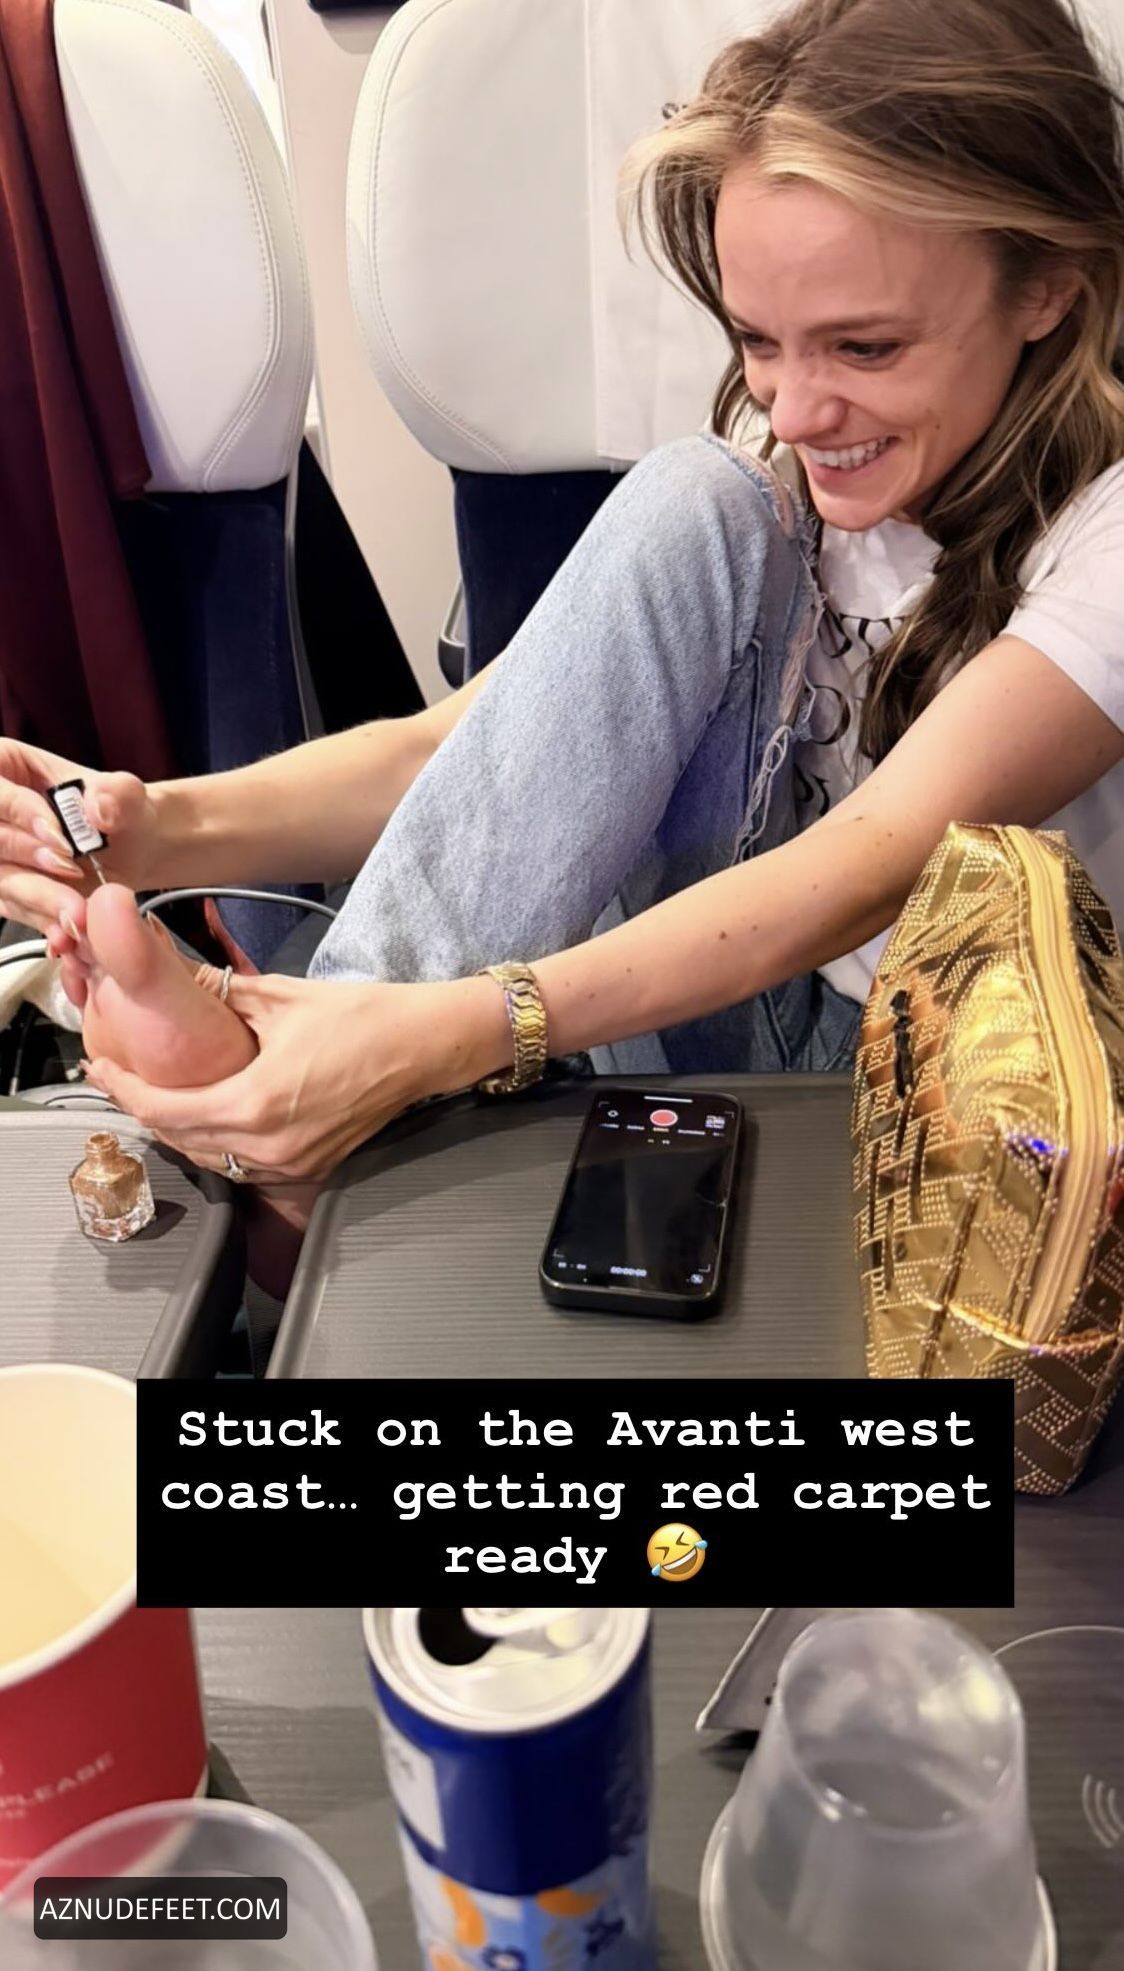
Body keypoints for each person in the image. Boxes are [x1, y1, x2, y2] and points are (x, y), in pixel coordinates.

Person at [3, 0, 1124, 1200]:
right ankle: (314, 1053)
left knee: (699, 494)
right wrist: (152, 827)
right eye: (757, 340)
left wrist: (453, 1034)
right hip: (723, 1009)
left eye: (865, 349)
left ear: (1044, 290)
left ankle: (310, 1101)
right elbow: (470, 752)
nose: (795, 410)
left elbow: (866, 862)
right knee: (695, 493)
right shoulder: (785, 465)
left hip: (957, 1093)